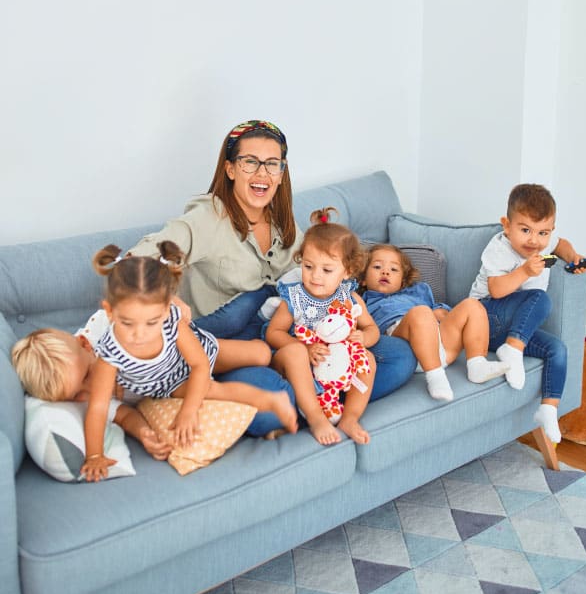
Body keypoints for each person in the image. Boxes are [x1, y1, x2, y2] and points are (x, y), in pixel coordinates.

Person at [129, 119, 416, 415]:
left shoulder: (282, 220)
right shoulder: (207, 217)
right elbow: (136, 259)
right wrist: (165, 298)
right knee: (273, 401)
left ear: (281, 173)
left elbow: (321, 270)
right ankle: (311, 398)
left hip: (289, 333)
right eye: (250, 162)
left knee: (399, 356)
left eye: (272, 164)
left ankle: (319, 396)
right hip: (231, 344)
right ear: (230, 169)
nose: (262, 173)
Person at [81, 241, 297, 481]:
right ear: (109, 311)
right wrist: (94, 455)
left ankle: (264, 333)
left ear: (166, 310)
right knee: (213, 390)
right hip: (171, 385)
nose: (139, 334)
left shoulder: (172, 322)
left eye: (151, 323)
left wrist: (189, 410)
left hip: (197, 357)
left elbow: (200, 364)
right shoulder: (109, 355)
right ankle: (272, 400)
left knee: (262, 354)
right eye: (127, 323)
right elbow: (98, 407)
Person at [469, 183, 586, 443]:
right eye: (525, 230)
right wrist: (524, 271)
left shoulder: (544, 245)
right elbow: (496, 290)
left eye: (542, 233)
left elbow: (562, 245)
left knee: (557, 349)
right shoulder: (499, 248)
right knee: (540, 298)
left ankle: (548, 409)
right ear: (507, 226)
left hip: (513, 329)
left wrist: (572, 257)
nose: (534, 241)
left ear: (551, 231)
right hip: (484, 319)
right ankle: (512, 350)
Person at [266, 208, 378, 445]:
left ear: (347, 271)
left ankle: (350, 418)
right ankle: (316, 417)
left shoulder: (349, 298)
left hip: (333, 366)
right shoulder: (294, 298)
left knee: (367, 359)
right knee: (295, 352)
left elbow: (371, 328)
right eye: (308, 266)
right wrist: (305, 349)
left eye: (327, 270)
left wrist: (364, 338)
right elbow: (273, 333)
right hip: (296, 364)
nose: (315, 276)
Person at [360, 244, 509, 401]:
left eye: (394, 269)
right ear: (363, 279)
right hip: (406, 347)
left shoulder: (418, 292)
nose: (385, 272)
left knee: (472, 305)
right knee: (421, 312)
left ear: (403, 281)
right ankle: (436, 377)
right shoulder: (362, 302)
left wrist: (441, 312)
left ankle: (477, 364)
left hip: (441, 344)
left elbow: (438, 310)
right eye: (377, 267)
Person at [11, 319, 173, 462]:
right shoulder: (87, 403)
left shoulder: (104, 328)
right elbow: (125, 416)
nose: (91, 388)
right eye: (76, 395)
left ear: (85, 344)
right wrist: (143, 433)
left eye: (87, 374)